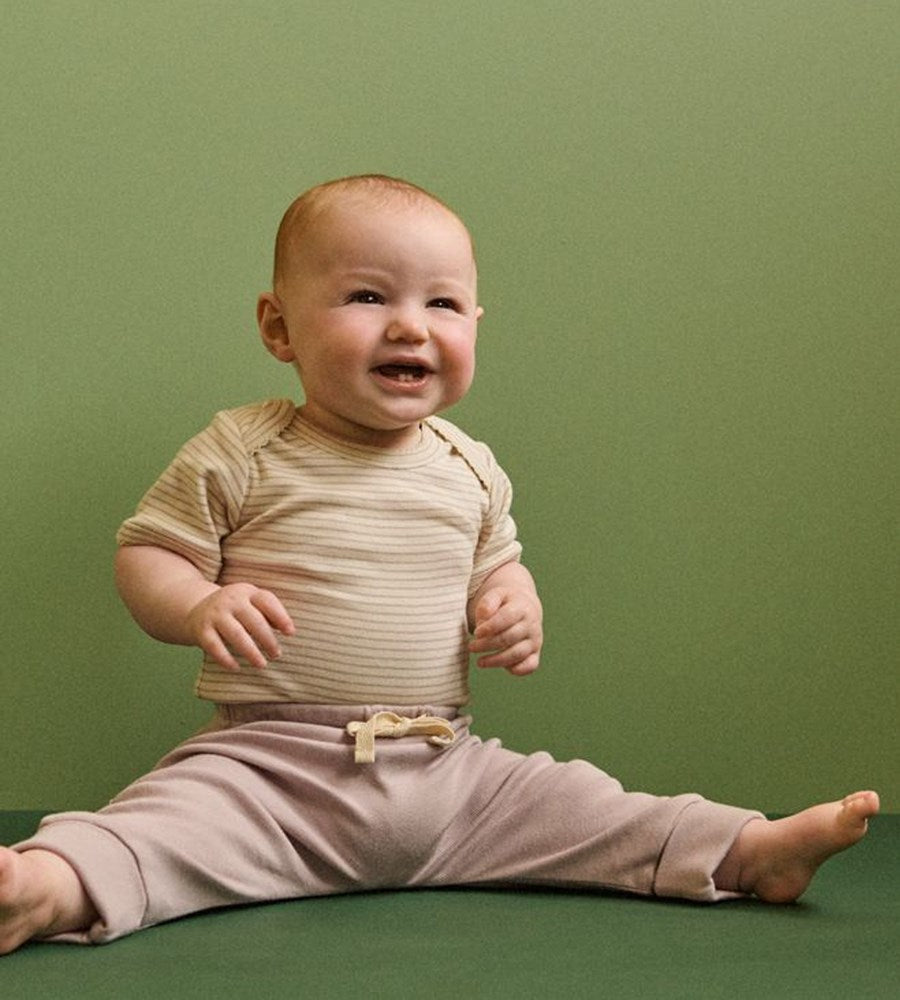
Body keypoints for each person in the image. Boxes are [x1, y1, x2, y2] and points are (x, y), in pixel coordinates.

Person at [0, 174, 879, 954]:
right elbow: (147, 554)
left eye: (444, 306)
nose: (409, 327)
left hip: (449, 775)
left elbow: (501, 566)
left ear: (475, 325)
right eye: (365, 296)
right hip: (267, 770)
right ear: (279, 327)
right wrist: (196, 606)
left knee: (588, 804)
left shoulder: (468, 465)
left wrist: (514, 603)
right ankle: (40, 889)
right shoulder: (246, 448)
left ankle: (747, 851)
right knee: (157, 833)